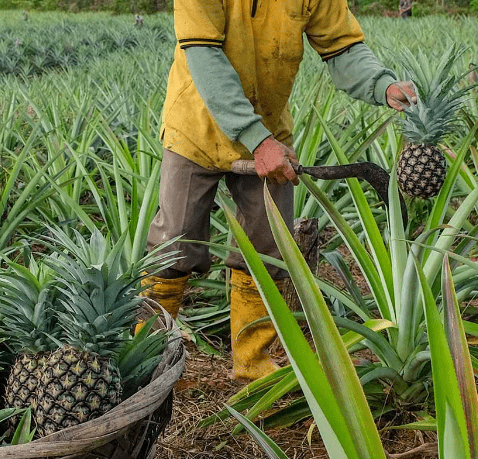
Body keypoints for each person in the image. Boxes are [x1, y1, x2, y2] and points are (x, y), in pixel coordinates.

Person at [144, 0, 417, 381]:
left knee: (269, 248)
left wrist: (382, 85)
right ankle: (144, 358)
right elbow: (204, 55)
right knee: (174, 243)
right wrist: (255, 139)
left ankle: (252, 366)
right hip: (196, 128)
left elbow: (342, 47)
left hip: (270, 129)